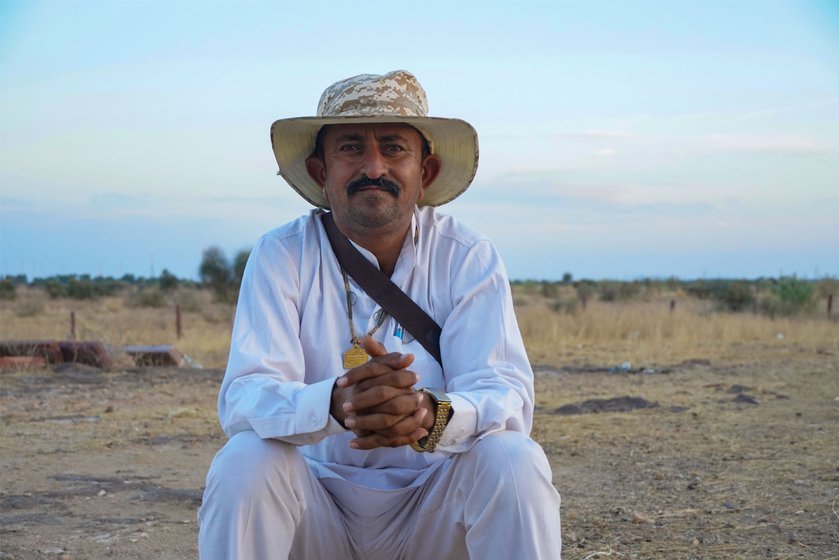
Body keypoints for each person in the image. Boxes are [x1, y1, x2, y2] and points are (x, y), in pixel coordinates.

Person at [198, 70, 562, 559]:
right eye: (350, 148)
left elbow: (507, 395)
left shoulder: (466, 255)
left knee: (514, 459)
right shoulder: (280, 254)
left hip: (434, 508)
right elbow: (245, 398)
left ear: (425, 171)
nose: (373, 166)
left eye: (393, 148)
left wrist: (428, 416)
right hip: (317, 509)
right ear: (320, 171)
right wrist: (337, 403)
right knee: (243, 461)